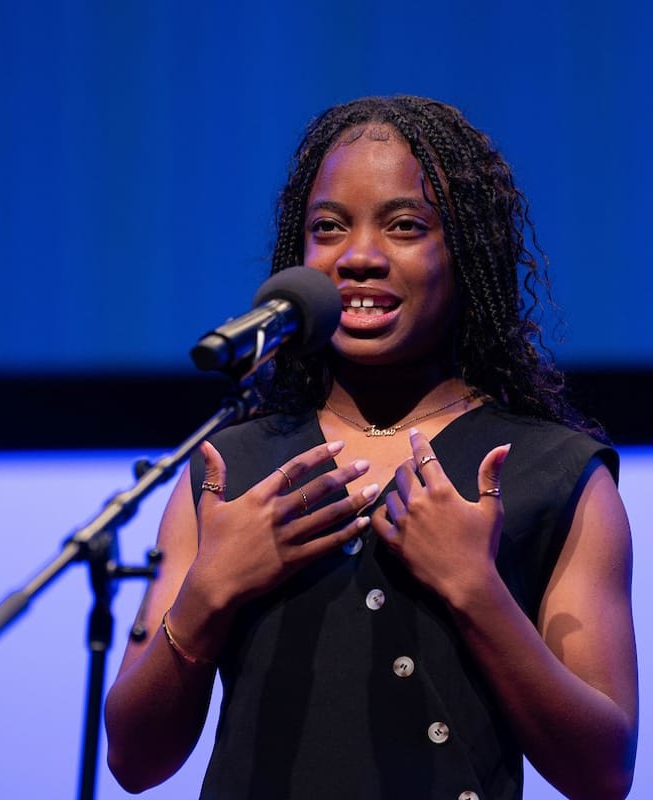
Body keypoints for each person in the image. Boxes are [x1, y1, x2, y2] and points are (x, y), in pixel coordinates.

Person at [104, 95, 638, 799]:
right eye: (328, 228)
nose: (358, 257)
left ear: (467, 253)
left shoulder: (554, 474)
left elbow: (604, 774)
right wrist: (208, 593)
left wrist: (476, 590)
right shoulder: (230, 469)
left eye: (405, 226)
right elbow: (134, 763)